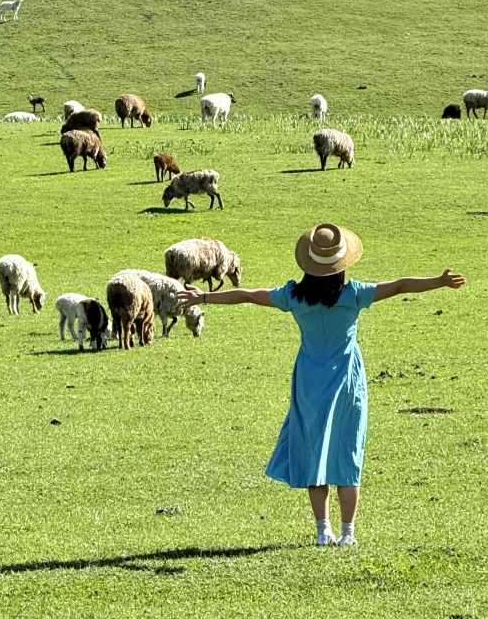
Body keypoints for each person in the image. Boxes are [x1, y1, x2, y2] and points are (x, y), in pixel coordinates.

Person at [176, 221, 466, 546]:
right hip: (347, 383)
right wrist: (440, 281)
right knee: (347, 451)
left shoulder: (293, 296)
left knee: (315, 451)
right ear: (342, 266)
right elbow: (399, 286)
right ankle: (348, 534)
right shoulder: (354, 295)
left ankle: (322, 531)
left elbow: (247, 295)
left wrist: (205, 296)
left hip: (309, 383)